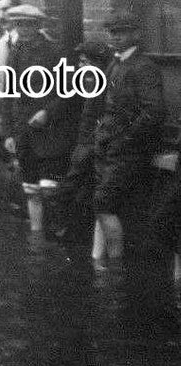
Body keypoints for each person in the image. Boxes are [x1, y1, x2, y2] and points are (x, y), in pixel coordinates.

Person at [91, 11, 166, 265]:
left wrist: (125, 138)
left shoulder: (143, 67)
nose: (116, 37)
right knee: (103, 202)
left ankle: (115, 267)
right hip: (109, 146)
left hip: (128, 150)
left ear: (136, 34)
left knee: (104, 202)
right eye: (112, 33)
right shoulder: (116, 63)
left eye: (122, 32)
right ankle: (102, 262)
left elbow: (153, 112)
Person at [0, 5, 74, 234]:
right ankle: (37, 235)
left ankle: (60, 235)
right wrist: (8, 132)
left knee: (50, 187)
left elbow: (68, 90)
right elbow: (7, 93)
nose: (23, 29)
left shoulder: (54, 52)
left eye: (28, 24)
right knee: (30, 188)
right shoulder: (14, 51)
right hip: (23, 130)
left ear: (38, 25)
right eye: (19, 24)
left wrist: (47, 113)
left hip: (49, 130)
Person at [57, 41, 112, 245]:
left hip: (91, 143)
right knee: (83, 190)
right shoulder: (89, 81)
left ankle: (64, 230)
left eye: (84, 62)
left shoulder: (97, 82)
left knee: (71, 187)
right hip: (88, 141)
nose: (80, 67)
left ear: (97, 64)